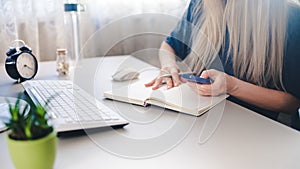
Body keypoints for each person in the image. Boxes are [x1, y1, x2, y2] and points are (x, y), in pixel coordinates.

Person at [145, 0, 300, 128]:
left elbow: (291, 103)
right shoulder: (201, 5)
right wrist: (168, 65)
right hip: (210, 121)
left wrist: (232, 86)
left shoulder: (291, 19)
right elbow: (169, 45)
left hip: (266, 130)